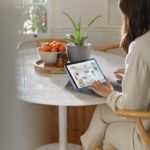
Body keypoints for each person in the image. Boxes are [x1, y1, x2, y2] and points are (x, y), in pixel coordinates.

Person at [80, 0, 150, 150]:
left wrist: (109, 94)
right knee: (102, 111)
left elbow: (133, 106)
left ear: (133, 16)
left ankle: (85, 147)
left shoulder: (139, 47)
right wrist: (134, 76)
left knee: (105, 127)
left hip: (146, 134)